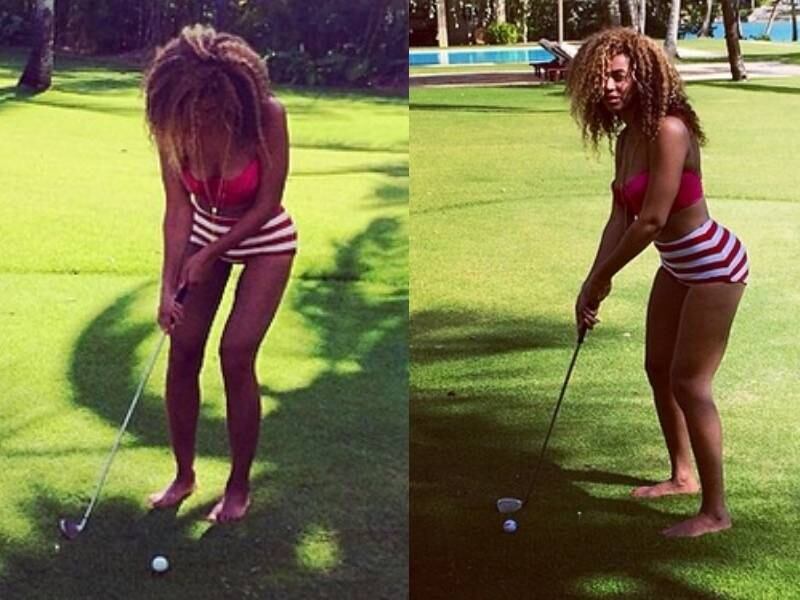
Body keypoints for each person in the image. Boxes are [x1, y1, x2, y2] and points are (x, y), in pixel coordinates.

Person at [566, 27, 748, 538]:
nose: (609, 86)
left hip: (713, 265)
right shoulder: (627, 139)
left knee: (690, 382)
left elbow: (651, 220)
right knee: (658, 368)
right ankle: (682, 476)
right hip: (677, 265)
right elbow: (620, 218)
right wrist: (590, 282)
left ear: (643, 77)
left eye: (619, 76)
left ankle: (716, 512)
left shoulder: (670, 130)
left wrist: (604, 277)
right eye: (601, 77)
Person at [143, 24, 297, 523]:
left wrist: (212, 253)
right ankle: (183, 475)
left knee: (235, 354)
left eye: (207, 104)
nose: (199, 114)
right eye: (191, 104)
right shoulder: (172, 121)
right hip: (203, 237)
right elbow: (177, 209)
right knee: (183, 349)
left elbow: (268, 202)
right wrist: (168, 286)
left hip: (265, 239)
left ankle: (237, 486)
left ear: (232, 92)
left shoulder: (266, 116)